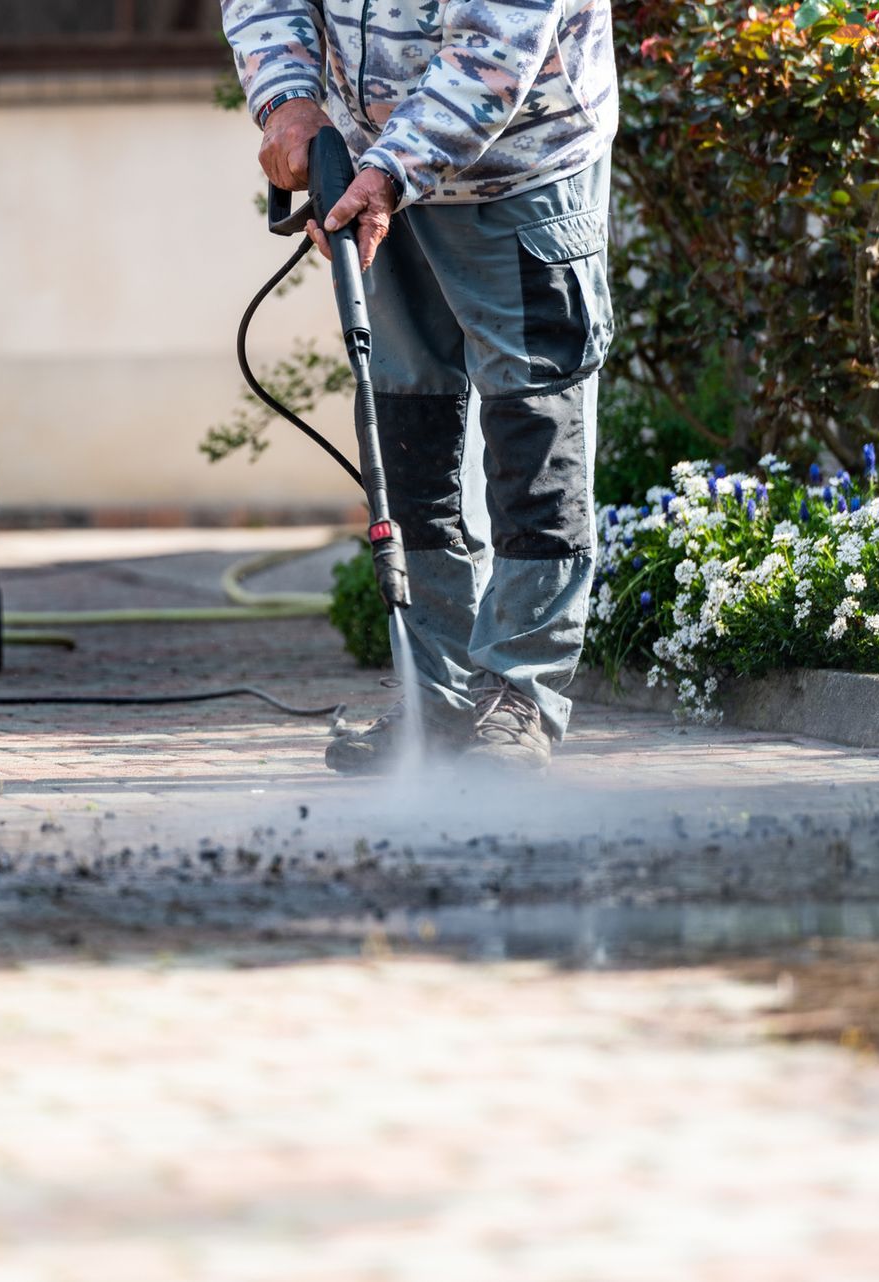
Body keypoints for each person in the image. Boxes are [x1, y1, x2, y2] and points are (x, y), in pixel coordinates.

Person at [223, 2, 618, 771]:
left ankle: (521, 697)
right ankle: (438, 703)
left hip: (520, 167)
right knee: (409, 436)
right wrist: (288, 100)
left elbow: (498, 41)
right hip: (373, 173)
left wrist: (391, 170)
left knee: (532, 434)